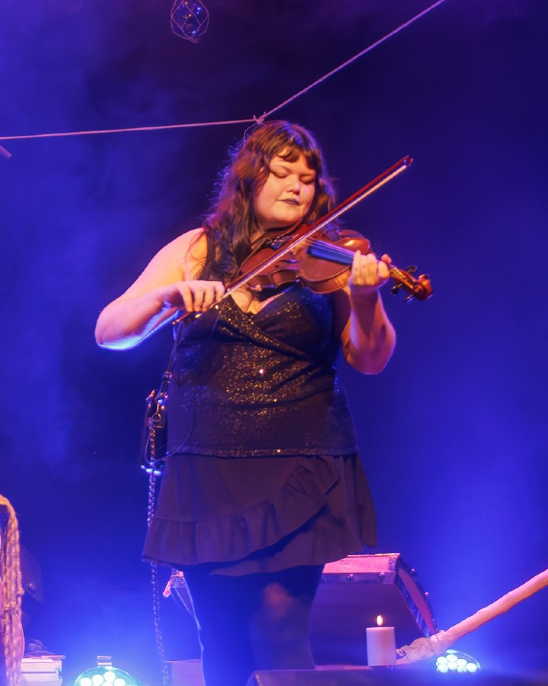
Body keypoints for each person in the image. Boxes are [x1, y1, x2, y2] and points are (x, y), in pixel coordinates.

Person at [94, 120, 397, 686]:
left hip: (301, 463)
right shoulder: (197, 248)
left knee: (282, 627)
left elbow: (370, 356)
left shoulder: (330, 260)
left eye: (306, 179)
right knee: (223, 637)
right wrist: (168, 295)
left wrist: (365, 298)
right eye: (281, 173)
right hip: (207, 469)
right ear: (249, 179)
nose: (295, 187)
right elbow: (109, 329)